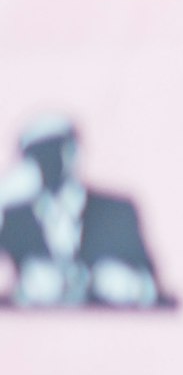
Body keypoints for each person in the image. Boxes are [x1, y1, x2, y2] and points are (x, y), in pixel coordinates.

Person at [0, 116, 169, 308]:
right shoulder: (15, 218)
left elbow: (154, 286)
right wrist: (22, 289)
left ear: (74, 152)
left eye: (54, 150)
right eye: (38, 154)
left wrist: (129, 285)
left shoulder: (115, 212)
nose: (47, 163)